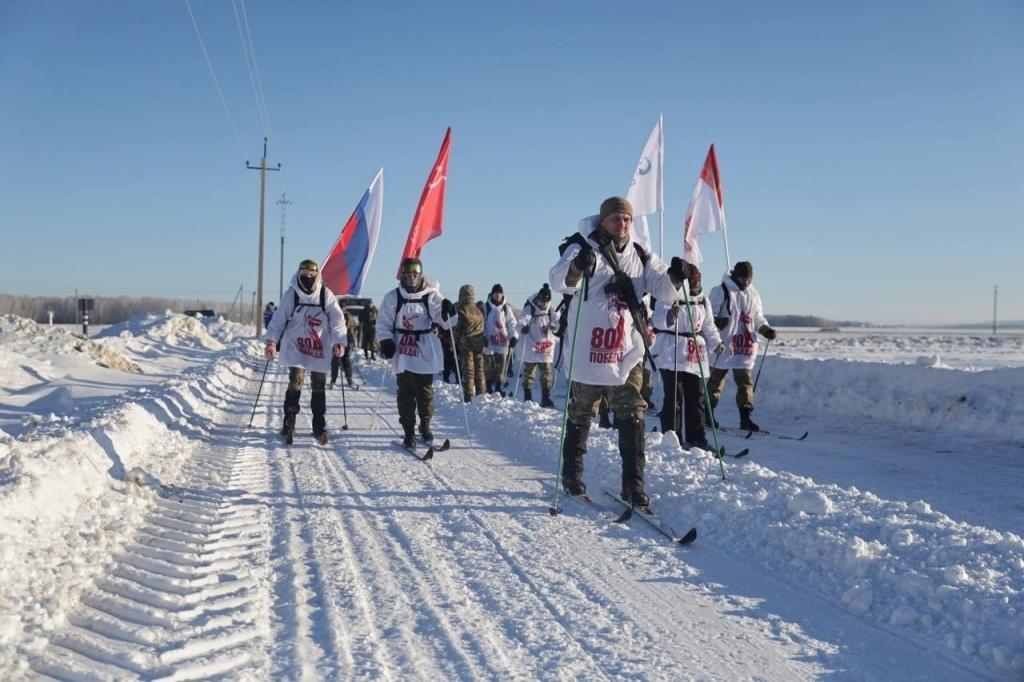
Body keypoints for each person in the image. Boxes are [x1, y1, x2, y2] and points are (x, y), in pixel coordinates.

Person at [549, 196, 688, 506]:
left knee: (632, 414)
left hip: (625, 350)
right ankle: (572, 474)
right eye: (615, 218)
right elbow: (559, 281)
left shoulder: (641, 254)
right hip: (588, 351)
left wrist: (676, 277)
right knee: (582, 413)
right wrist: (576, 267)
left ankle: (634, 485)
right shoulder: (583, 247)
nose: (621, 223)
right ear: (603, 221)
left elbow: (663, 290)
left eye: (626, 218)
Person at [263, 259, 347, 445]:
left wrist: (339, 341)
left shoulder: (326, 295)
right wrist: (271, 342)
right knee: (295, 382)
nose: (308, 277)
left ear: (317, 275)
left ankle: (319, 425)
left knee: (318, 385)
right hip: (296, 345)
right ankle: (289, 424)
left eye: (311, 274)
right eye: (304, 273)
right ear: (299, 273)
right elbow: (279, 319)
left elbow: (337, 320)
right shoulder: (292, 294)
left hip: (318, 346)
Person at [376, 257, 456, 447]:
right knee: (405, 391)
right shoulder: (393, 297)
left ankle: (425, 424)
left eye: (415, 274)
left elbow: (447, 321)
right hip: (402, 348)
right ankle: (408, 430)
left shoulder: (431, 296)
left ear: (420, 275)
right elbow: (384, 322)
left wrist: (449, 311)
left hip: (424, 348)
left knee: (425, 390)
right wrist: (386, 340)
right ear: (402, 275)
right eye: (408, 274)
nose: (411, 278)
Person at [651, 264, 723, 449]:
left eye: (697, 283)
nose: (695, 286)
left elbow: (708, 325)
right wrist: (669, 316)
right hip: (672, 352)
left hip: (694, 353)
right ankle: (672, 437)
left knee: (696, 397)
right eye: (692, 283)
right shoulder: (669, 295)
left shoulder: (703, 301)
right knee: (674, 396)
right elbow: (657, 319)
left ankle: (697, 437)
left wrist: (716, 343)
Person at [707, 260, 777, 432]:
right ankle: (706, 415)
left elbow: (758, 317)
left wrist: (765, 329)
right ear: (736, 275)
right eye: (743, 278)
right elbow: (707, 316)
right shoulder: (720, 291)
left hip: (744, 345)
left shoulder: (753, 294)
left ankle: (745, 419)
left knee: (745, 382)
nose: (746, 282)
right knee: (715, 382)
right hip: (724, 345)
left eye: (749, 279)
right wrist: (717, 321)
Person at [518, 283, 559, 407]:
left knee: (546, 373)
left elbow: (557, 323)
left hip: (545, 346)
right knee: (529, 372)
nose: (544, 303)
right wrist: (523, 327)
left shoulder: (551, 311)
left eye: (547, 300)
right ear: (539, 298)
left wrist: (555, 327)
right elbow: (522, 320)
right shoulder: (530, 308)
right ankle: (527, 396)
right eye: (542, 300)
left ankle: (546, 397)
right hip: (532, 344)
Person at [452, 284, 486, 402]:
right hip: (479, 343)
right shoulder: (478, 310)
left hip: (466, 345)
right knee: (480, 371)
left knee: (468, 372)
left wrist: (453, 344)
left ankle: (468, 396)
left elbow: (457, 329)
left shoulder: (461, 310)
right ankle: (481, 395)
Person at [483, 283, 519, 395]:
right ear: (492, 294)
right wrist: (483, 337)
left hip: (503, 343)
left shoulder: (506, 308)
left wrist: (514, 336)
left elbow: (512, 323)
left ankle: (498, 387)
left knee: (501, 367)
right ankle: (488, 387)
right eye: (495, 294)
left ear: (502, 294)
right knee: (488, 367)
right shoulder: (485, 307)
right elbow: (481, 324)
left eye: (499, 294)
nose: (497, 296)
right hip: (489, 342)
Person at [331, 308, 356, 388]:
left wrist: (351, 344)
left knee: (347, 362)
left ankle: (349, 379)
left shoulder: (349, 324)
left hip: (346, 345)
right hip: (337, 344)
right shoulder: (337, 321)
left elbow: (352, 336)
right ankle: (333, 380)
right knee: (335, 362)